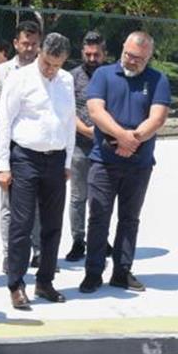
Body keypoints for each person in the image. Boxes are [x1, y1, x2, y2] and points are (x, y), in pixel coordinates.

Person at [80, 31, 171, 293]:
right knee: (98, 218)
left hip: (139, 163)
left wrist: (134, 140)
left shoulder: (157, 79)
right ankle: (93, 272)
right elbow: (96, 111)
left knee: (129, 219)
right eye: (129, 55)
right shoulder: (103, 75)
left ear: (149, 57)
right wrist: (122, 137)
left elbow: (158, 118)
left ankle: (122, 271)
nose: (132, 61)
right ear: (122, 48)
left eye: (139, 59)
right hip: (103, 161)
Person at [0, 33, 76, 309]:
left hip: (56, 160)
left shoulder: (66, 80)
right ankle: (16, 284)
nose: (50, 69)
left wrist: (67, 162)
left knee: (53, 225)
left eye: (56, 64)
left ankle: (45, 281)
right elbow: (5, 120)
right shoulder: (20, 78)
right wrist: (2, 166)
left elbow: (69, 123)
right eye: (47, 63)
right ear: (40, 53)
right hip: (25, 158)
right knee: (22, 224)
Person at [0, 20, 44, 268]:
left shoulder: (46, 70)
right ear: (16, 43)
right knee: (9, 205)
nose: (29, 48)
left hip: (39, 148)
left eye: (34, 44)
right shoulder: (1, 72)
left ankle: (39, 251)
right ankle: (10, 253)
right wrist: (17, 107)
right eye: (25, 43)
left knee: (39, 204)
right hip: (8, 149)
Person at [65, 31, 105, 262]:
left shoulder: (112, 75)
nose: (92, 58)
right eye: (88, 54)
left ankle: (100, 238)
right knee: (78, 196)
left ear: (104, 53)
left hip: (106, 146)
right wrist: (86, 130)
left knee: (102, 196)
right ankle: (78, 241)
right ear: (82, 52)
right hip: (79, 145)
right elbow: (67, 109)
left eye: (96, 54)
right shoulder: (71, 78)